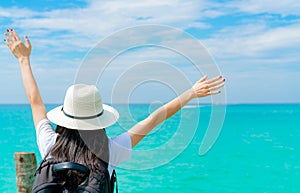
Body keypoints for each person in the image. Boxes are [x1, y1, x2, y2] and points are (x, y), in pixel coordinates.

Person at [5, 29, 225, 192]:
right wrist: (192, 93)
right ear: (99, 120)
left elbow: (35, 102)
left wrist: (23, 59)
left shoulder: (50, 145)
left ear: (64, 119)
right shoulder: (110, 151)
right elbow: (155, 118)